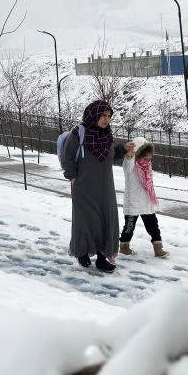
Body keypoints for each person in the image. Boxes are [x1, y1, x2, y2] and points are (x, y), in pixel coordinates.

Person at [62, 100, 128, 272]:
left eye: (109, 116)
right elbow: (67, 156)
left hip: (105, 188)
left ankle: (101, 257)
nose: (106, 119)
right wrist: (72, 177)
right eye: (103, 115)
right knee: (85, 222)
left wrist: (123, 150)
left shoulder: (107, 134)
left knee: (106, 221)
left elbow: (110, 156)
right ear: (93, 114)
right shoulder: (79, 133)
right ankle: (82, 253)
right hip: (83, 187)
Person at [119, 136, 167, 258]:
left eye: (150, 157)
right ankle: (124, 246)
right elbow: (127, 165)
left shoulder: (147, 166)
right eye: (145, 157)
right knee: (129, 227)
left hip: (146, 201)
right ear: (138, 155)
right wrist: (130, 155)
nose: (148, 160)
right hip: (133, 201)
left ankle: (158, 248)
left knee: (153, 226)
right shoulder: (130, 164)